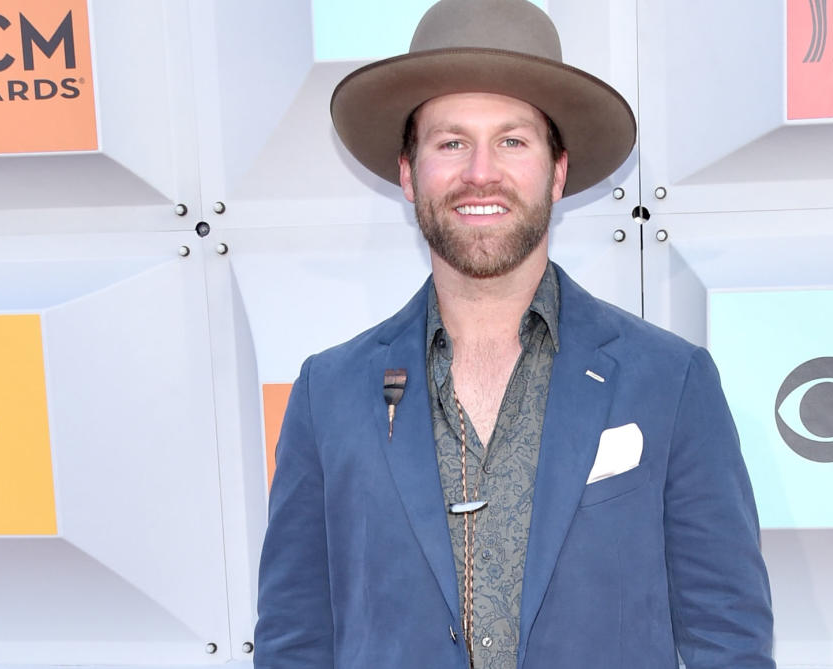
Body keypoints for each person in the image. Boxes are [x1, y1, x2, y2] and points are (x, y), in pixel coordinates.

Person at [254, 1, 774, 667]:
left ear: (556, 171)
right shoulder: (328, 393)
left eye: (512, 140)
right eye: (450, 142)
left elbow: (727, 639)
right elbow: (293, 643)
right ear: (409, 172)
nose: (480, 172)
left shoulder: (669, 381)